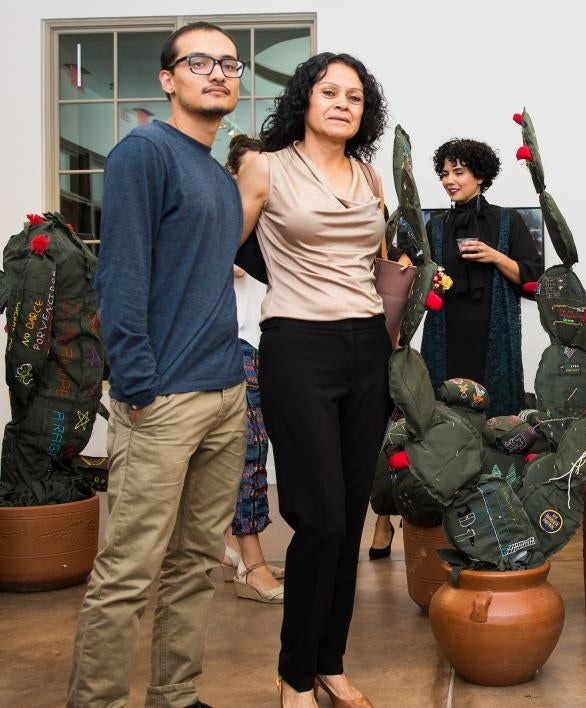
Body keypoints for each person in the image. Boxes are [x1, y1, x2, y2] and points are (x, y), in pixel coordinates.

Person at [68, 22, 247, 708]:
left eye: (228, 63)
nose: (217, 73)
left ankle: (173, 695)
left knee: (197, 562)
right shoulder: (144, 153)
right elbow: (120, 276)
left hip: (223, 391)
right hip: (163, 398)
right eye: (198, 61)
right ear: (168, 79)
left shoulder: (215, 174)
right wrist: (136, 384)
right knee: (128, 571)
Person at [236, 51, 389, 708]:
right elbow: (221, 252)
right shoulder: (264, 167)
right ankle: (294, 673)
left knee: (350, 516)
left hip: (367, 348)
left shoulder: (371, 177)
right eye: (330, 91)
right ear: (305, 98)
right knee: (319, 517)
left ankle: (331, 662)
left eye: (354, 96)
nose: (342, 103)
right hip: (297, 345)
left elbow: (384, 268)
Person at [421, 138, 543, 418]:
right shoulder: (435, 226)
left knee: (495, 417)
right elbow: (420, 278)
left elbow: (533, 279)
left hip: (493, 337)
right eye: (444, 174)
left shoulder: (507, 221)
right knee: (444, 413)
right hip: (446, 335)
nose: (449, 180)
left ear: (480, 176)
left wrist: (496, 256)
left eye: (458, 172)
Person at [221, 135, 286, 603]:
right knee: (248, 452)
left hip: (272, 346)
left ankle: (231, 544)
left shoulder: (272, 225)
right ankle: (252, 561)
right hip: (230, 346)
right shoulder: (222, 226)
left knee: (252, 451)